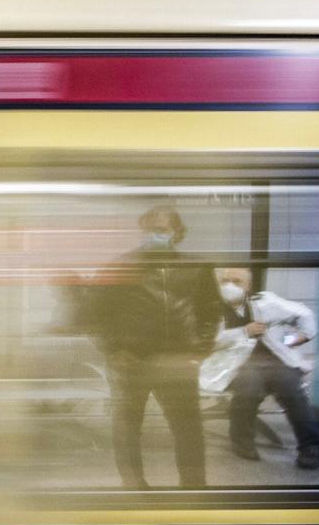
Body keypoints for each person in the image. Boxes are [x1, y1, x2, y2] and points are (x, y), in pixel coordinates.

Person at [87, 205, 222, 489]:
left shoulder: (197, 267)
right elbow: (96, 315)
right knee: (127, 428)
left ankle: (194, 486)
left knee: (187, 427)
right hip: (131, 361)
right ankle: (133, 485)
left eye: (161, 230)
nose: (154, 235)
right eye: (149, 230)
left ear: (177, 233)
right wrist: (114, 351)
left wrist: (200, 349)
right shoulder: (121, 266)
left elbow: (210, 311)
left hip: (178, 362)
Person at [212, 266, 319, 469]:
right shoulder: (210, 307)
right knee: (249, 389)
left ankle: (311, 447)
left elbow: (304, 313)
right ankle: (242, 441)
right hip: (235, 364)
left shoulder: (266, 302)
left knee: (293, 392)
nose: (229, 286)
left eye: (237, 281)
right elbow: (207, 340)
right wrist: (244, 331)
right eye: (225, 281)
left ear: (248, 286)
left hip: (274, 360)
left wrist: (298, 338)